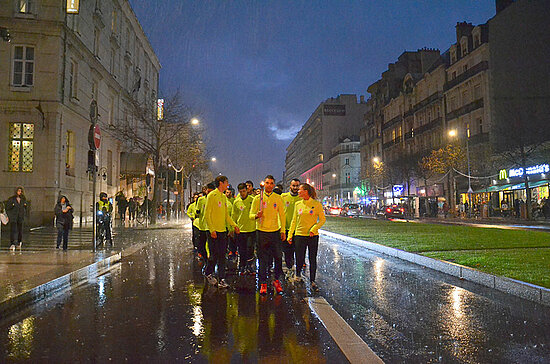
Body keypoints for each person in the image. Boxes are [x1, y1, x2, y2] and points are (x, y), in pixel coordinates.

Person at [250, 175, 286, 295]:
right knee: (263, 259)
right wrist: (256, 215)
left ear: (274, 185)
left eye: (271, 183)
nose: (269, 185)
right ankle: (263, 283)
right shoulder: (258, 198)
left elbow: (282, 215)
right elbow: (250, 215)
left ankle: (276, 280)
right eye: (267, 183)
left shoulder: (277, 198)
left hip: (275, 232)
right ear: (264, 184)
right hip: (261, 232)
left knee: (278, 258)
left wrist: (283, 230)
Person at [288, 183, 326, 291]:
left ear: (306, 191)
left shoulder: (316, 204)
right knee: (299, 257)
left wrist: (314, 229)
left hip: (312, 236)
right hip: (299, 235)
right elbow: (294, 221)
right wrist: (290, 235)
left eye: (300, 190)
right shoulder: (298, 204)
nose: (298, 191)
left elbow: (322, 220)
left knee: (312, 258)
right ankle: (298, 275)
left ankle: (313, 280)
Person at [204, 176, 239, 288]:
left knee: (222, 256)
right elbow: (207, 214)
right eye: (226, 182)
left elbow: (226, 215)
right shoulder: (211, 195)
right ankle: (208, 273)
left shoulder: (223, 197)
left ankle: (222, 279)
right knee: (214, 255)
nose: (227, 185)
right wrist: (211, 229)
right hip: (213, 232)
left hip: (222, 231)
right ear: (221, 183)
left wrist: (234, 225)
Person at [232, 183, 257, 275]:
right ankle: (242, 266)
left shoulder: (252, 200)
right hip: (240, 230)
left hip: (251, 229)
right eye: (240, 191)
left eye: (244, 191)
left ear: (247, 191)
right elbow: (234, 215)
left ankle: (250, 265)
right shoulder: (236, 202)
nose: (242, 193)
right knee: (242, 249)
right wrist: (233, 227)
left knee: (250, 248)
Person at [281, 178, 301, 278]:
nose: (295, 188)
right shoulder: (283, 197)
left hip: (298, 230)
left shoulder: (302, 198)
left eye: (297, 186)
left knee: (297, 250)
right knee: (287, 250)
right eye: (293, 185)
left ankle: (297, 271)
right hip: (286, 228)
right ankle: (289, 267)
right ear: (290, 186)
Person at [5, 186, 28, 251]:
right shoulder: (12, 199)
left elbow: (26, 208)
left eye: (20, 191)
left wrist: (24, 214)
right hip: (13, 217)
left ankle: (19, 242)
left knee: (20, 230)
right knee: (13, 230)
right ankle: (12, 243)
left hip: (20, 217)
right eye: (18, 191)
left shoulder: (23, 200)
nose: (19, 192)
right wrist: (9, 216)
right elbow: (8, 208)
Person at [196, 184, 214, 262]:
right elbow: (197, 211)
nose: (208, 193)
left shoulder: (215, 199)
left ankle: (211, 260)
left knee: (211, 245)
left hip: (212, 227)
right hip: (203, 226)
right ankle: (205, 258)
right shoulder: (201, 200)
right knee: (201, 244)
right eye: (208, 191)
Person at [225, 188, 238, 260]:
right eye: (227, 192)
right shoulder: (224, 201)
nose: (228, 194)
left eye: (230, 192)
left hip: (233, 223)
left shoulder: (234, 201)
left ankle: (234, 250)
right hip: (225, 224)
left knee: (233, 238)